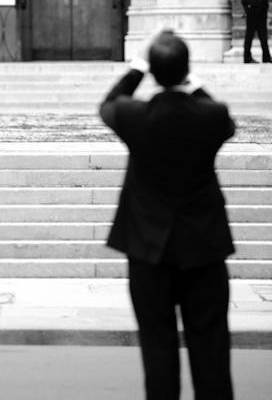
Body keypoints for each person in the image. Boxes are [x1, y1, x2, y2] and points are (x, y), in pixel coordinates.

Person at [100, 30, 235, 400]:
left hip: (148, 249)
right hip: (203, 247)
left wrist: (137, 70)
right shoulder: (212, 116)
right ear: (187, 69)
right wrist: (193, 83)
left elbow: (109, 103)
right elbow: (228, 123)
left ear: (154, 72)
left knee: (157, 349)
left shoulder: (133, 115)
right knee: (211, 350)